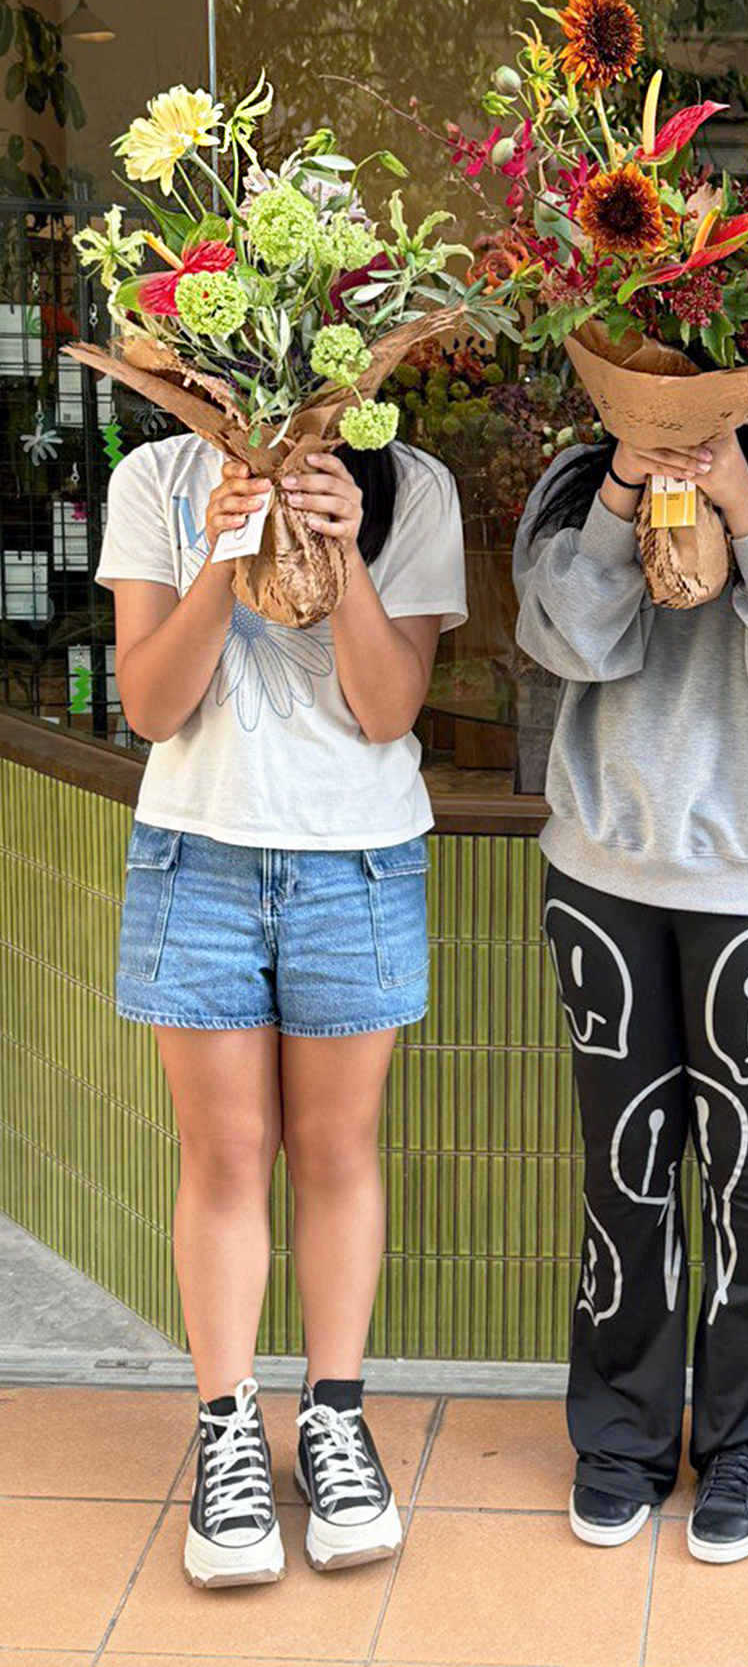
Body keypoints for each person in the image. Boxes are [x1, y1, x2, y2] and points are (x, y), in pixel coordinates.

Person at [98, 432, 466, 1588]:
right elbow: (152, 706)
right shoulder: (153, 479)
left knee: (335, 1150)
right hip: (196, 857)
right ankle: (226, 1432)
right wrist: (225, 549)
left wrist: (345, 547)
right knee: (221, 1155)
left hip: (353, 861)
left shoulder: (411, 482)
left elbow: (388, 707)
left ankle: (335, 1414)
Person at [513, 389, 748, 1563]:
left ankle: (747, 1442)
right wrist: (624, 486)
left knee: (746, 1175)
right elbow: (565, 639)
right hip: (605, 868)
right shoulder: (576, 478)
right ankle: (620, 1435)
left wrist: (742, 505)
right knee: (624, 1168)